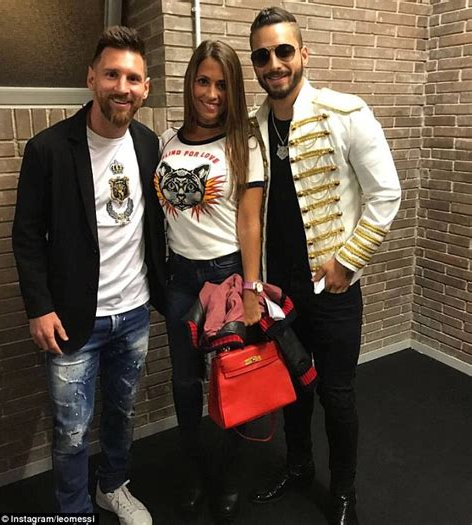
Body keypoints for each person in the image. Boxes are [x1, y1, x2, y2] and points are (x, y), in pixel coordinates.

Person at [248, 7, 401, 525]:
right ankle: (297, 466)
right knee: (291, 386)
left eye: (283, 51)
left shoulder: (347, 114)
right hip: (278, 289)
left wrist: (347, 262)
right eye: (263, 55)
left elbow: (386, 195)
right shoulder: (253, 124)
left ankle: (343, 492)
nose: (275, 64)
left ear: (303, 53)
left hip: (332, 289)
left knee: (335, 395)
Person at [12, 26, 166, 524]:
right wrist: (39, 306)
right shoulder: (49, 149)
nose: (123, 87)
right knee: (72, 430)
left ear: (145, 88)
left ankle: (112, 487)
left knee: (122, 414)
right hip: (74, 320)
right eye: (112, 74)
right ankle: (72, 511)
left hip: (135, 312)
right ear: (91, 79)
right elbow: (27, 235)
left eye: (133, 78)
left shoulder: (148, 144)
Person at [154, 40, 264, 522]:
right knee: (184, 384)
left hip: (226, 278)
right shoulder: (166, 140)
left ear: (233, 89)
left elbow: (250, 224)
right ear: (190, 82)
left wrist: (254, 291)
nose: (212, 93)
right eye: (204, 81)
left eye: (222, 84)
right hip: (179, 277)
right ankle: (195, 471)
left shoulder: (244, 142)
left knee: (230, 384)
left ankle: (228, 475)